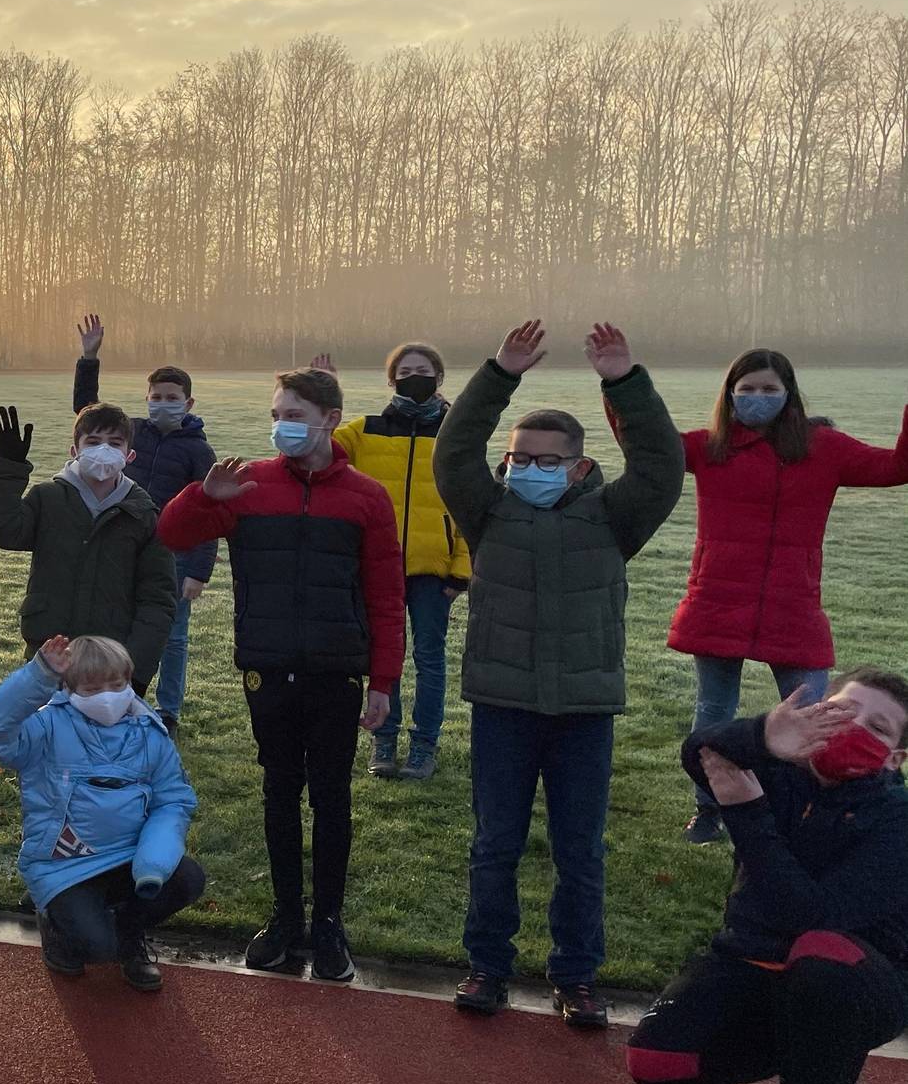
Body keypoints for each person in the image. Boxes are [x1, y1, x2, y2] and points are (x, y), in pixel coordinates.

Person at [435, 321, 684, 1028]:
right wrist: (499, 374)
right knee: (495, 843)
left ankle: (576, 975)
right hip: (503, 704)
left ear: (578, 466)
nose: (528, 468)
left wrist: (624, 382)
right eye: (519, 457)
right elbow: (454, 452)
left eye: (546, 459)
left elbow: (663, 465)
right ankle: (487, 964)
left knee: (580, 850)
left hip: (583, 709)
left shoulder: (614, 517)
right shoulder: (489, 511)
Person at [158, 366, 403, 984]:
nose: (281, 427)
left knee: (332, 798)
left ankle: (329, 925)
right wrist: (202, 496)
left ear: (328, 418)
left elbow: (384, 595)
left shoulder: (366, 497)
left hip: (337, 669)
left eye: (293, 415)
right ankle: (286, 919)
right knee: (278, 790)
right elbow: (171, 532)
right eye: (275, 415)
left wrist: (382, 680)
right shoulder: (248, 485)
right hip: (267, 665)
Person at [628, 674, 908, 1084]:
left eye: (875, 727)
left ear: (895, 759)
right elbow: (700, 752)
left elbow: (810, 918)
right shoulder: (783, 769)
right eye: (842, 711)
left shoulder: (897, 824)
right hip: (754, 959)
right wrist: (761, 736)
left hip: (859, 981)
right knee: (658, 1060)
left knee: (821, 953)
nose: (852, 729)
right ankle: (809, 1058)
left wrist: (748, 814)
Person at [656, 349, 908, 845]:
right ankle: (710, 809)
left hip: (793, 605)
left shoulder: (824, 447)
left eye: (768, 389)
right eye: (745, 389)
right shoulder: (712, 447)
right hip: (719, 599)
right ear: (729, 395)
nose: (756, 398)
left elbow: (896, 467)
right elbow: (647, 445)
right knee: (714, 711)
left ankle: (813, 807)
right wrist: (622, 384)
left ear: (789, 394)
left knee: (814, 710)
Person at [0, 635, 206, 991]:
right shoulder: (47, 727)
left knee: (187, 878)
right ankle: (57, 928)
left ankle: (130, 938)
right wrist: (39, 675)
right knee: (97, 948)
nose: (108, 696)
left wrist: (153, 861)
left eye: (117, 684)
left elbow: (173, 800)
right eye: (94, 688)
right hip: (63, 864)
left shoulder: (150, 733)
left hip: (128, 858)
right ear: (69, 688)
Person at [309, 343, 472, 781]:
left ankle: (424, 744)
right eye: (404, 370)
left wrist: (461, 568)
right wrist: (326, 390)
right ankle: (385, 737)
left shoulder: (457, 434)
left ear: (439, 379)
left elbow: (471, 504)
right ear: (390, 379)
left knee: (430, 657)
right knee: (386, 657)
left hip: (433, 571)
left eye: (422, 370)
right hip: (378, 566)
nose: (413, 376)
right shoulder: (367, 430)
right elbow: (319, 446)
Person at [71, 314, 217, 732]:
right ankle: (120, 695)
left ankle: (168, 711)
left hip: (177, 558)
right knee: (126, 627)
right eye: (156, 395)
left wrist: (199, 572)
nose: (162, 402)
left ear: (188, 403)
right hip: (127, 548)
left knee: (173, 639)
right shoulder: (132, 433)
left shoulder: (198, 451)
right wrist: (89, 358)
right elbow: (87, 413)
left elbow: (207, 511)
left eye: (172, 397)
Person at [0, 401, 177, 692]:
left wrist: (135, 669)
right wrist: (9, 466)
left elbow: (158, 600)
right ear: (75, 451)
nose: (103, 450)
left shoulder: (144, 514)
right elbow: (2, 530)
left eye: (115, 443)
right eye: (93, 442)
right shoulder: (48, 498)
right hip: (48, 651)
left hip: (109, 659)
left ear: (129, 455)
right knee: (46, 732)